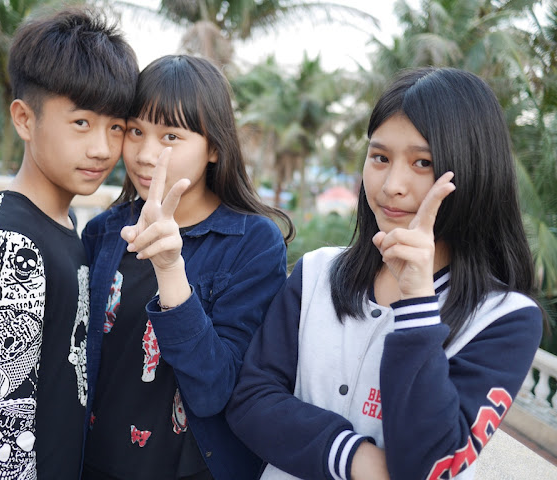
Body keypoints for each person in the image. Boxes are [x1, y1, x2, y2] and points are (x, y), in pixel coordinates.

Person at [226, 67, 544, 480]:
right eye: (380, 157)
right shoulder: (317, 273)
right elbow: (250, 400)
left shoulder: (504, 319)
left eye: (423, 162)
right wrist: (355, 458)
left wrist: (417, 301)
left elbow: (428, 464)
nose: (392, 184)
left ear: (474, 168)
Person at [0, 7, 139, 479]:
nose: (103, 149)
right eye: (81, 123)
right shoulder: (11, 245)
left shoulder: (59, 219)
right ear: (24, 119)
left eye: (115, 126)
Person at [80, 54, 294, 480]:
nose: (145, 154)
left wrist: (170, 268)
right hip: (95, 462)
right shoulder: (104, 232)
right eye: (136, 131)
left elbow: (216, 389)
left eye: (170, 136)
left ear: (214, 147)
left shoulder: (252, 244)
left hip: (193, 468)